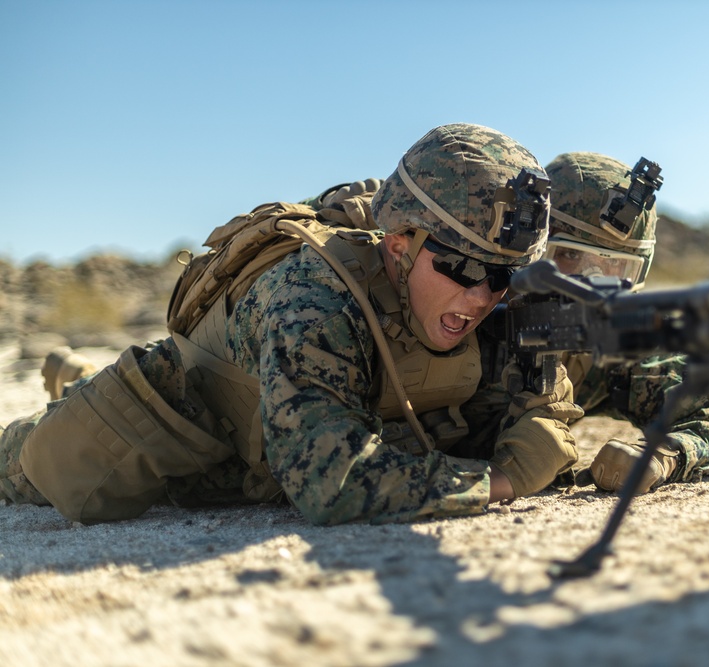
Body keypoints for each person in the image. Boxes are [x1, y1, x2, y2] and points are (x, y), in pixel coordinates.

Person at [0, 123, 581, 525]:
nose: (481, 296)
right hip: (194, 426)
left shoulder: (495, 298)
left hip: (304, 424)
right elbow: (331, 481)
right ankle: (71, 385)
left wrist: (541, 423)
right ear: (400, 245)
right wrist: (501, 481)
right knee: (36, 467)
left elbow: (551, 397)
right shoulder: (311, 299)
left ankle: (71, 371)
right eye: (462, 266)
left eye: (502, 276)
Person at [540, 152, 709, 493]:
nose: (594, 287)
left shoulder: (613, 333)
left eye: (618, 269)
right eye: (571, 256)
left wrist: (660, 456)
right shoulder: (470, 318)